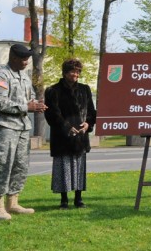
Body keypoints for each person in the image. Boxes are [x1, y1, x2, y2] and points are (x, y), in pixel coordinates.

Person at [0, 43, 47, 220]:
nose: (26, 62)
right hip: (5, 128)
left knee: (20, 165)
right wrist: (26, 106)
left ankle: (12, 202)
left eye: (27, 59)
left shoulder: (24, 77)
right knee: (3, 165)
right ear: (13, 57)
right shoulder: (1, 76)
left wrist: (35, 104)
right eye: (23, 59)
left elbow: (26, 100)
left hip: (22, 128)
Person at [44, 58, 97, 209]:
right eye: (72, 71)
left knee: (79, 169)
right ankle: (64, 200)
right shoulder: (53, 90)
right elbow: (52, 114)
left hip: (81, 137)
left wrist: (88, 124)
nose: (75, 74)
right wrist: (66, 127)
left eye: (78, 71)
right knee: (64, 169)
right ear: (65, 72)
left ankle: (78, 199)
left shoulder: (85, 89)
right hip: (62, 137)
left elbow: (92, 112)